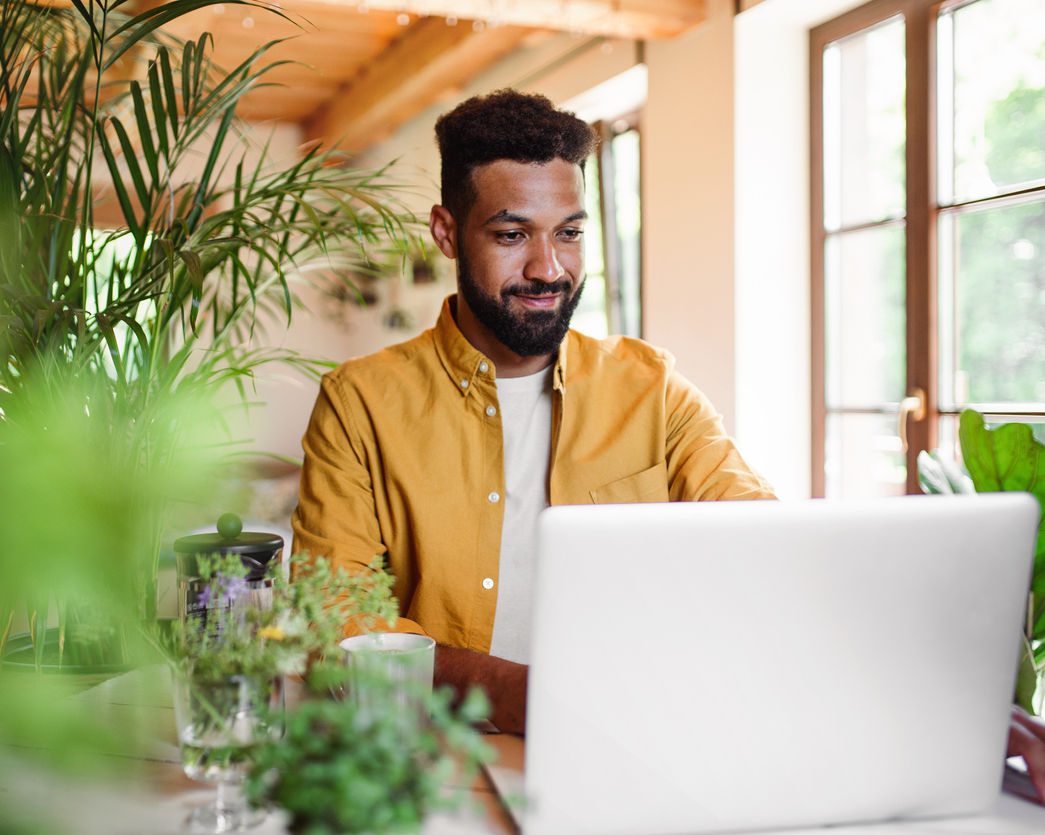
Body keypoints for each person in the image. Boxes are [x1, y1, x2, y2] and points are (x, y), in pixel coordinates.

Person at [291, 89, 1045, 801]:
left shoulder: (651, 388)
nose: (548, 268)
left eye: (570, 232)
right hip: (438, 766)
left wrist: (935, 697)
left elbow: (769, 552)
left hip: (642, 755)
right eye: (511, 234)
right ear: (447, 232)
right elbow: (337, 632)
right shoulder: (360, 402)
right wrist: (530, 695)